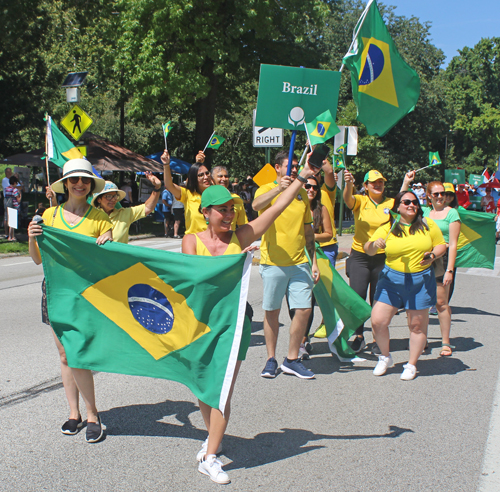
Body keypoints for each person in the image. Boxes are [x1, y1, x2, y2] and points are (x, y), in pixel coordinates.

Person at [182, 159, 316, 484]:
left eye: (232, 209)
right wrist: (108, 245)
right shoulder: (191, 240)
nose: (229, 215)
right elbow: (188, 281)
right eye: (222, 210)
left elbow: (277, 208)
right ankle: (212, 437)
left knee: (222, 391)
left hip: (235, 324)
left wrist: (300, 178)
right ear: (206, 212)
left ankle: (211, 456)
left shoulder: (242, 236)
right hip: (201, 326)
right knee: (203, 388)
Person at [27, 159, 112, 442]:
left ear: (90, 185)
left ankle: (92, 414)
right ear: (65, 184)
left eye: (85, 180)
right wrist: (31, 237)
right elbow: (38, 258)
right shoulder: (50, 215)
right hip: (54, 291)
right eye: (74, 180)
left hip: (85, 295)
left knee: (79, 353)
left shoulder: (99, 218)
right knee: (64, 355)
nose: (79, 184)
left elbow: (108, 258)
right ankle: (73, 413)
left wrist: (108, 239)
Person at [364, 190, 447, 380]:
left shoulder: (427, 224)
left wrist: (433, 255)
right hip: (391, 281)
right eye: (406, 202)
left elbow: (441, 245)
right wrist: (374, 245)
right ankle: (385, 357)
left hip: (420, 281)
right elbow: (368, 249)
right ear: (398, 207)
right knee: (378, 321)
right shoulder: (389, 226)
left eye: (415, 202)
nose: (411, 205)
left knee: (417, 326)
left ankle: (411, 364)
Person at [252, 151, 320, 380]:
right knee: (272, 312)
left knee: (304, 310)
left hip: (300, 263)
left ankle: (291, 359)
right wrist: (278, 189)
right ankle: (271, 359)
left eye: (295, 166)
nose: (293, 169)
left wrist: (314, 262)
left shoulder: (302, 194)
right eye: (288, 166)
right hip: (273, 264)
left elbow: (308, 232)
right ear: (277, 168)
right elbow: (255, 205)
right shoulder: (266, 188)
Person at [343, 169, 414, 354]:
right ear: (365, 186)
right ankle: (358, 335)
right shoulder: (360, 200)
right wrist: (349, 183)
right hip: (360, 256)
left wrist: (406, 181)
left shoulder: (390, 203)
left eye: (380, 181)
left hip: (382, 257)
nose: (377, 185)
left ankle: (376, 338)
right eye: (373, 182)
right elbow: (347, 199)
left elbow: (402, 200)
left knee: (378, 299)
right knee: (357, 297)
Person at [423, 181, 461, 356]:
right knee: (420, 303)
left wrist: (450, 270)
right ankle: (421, 340)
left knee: (441, 303)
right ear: (429, 196)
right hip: (423, 259)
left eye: (442, 194)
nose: (440, 197)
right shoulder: (423, 212)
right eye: (436, 194)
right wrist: (406, 182)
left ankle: (445, 342)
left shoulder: (451, 213)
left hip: (442, 261)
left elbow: (453, 244)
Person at [90, 173, 162, 243]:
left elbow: (148, 207)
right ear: (99, 199)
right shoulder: (91, 217)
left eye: (115, 196)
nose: (113, 199)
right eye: (108, 196)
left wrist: (157, 188)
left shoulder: (124, 213)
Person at [162, 150, 212, 235]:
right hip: (194, 243)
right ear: (194, 179)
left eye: (207, 173)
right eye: (201, 175)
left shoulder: (215, 194)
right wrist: (166, 165)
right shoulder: (188, 194)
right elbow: (169, 185)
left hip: (213, 243)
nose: (205, 177)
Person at [4, 175, 22, 241]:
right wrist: (20, 194)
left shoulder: (6, 189)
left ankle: (9, 235)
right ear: (14, 183)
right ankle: (11, 237)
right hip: (14, 206)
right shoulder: (14, 190)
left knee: (8, 220)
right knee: (12, 222)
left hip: (7, 205)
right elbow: (18, 199)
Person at [3, 167, 13, 236]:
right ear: (6, 173)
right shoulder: (5, 180)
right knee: (7, 216)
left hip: (14, 199)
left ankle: (11, 234)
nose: (10, 173)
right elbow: (9, 188)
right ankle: (6, 233)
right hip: (7, 199)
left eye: (10, 172)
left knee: (13, 216)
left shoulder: (12, 180)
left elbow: (20, 187)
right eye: (8, 172)